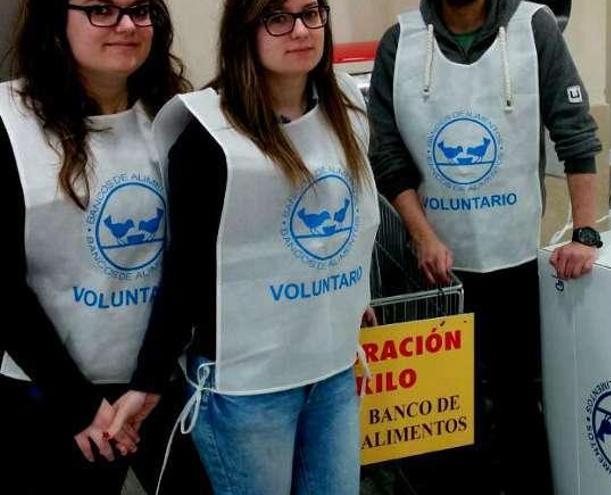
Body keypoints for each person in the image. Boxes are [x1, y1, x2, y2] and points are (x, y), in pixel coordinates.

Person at [108, 1, 379, 494]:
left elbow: (352, 223)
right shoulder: (210, 133)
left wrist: (351, 297)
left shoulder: (345, 106)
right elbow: (186, 270)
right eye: (278, 17)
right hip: (247, 384)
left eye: (311, 13)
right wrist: (147, 381)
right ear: (246, 32)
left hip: (330, 367)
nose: (299, 30)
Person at [368, 0, 603, 493]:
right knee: (449, 416)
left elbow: (575, 132)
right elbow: (386, 153)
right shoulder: (401, 41)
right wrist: (421, 234)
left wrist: (585, 231)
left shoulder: (533, 27)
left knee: (519, 404)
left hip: (515, 265)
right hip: (435, 276)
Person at [0, 0, 206, 493]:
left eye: (140, 10)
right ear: (56, 22)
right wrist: (80, 405)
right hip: (48, 388)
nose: (128, 26)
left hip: (159, 382)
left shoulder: (180, 115)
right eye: (101, 11)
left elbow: (193, 261)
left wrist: (151, 381)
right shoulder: (8, 121)